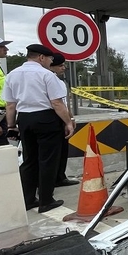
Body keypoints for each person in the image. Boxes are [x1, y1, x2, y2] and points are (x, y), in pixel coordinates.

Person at [3, 44, 74, 213]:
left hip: (25, 119)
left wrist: (11, 126)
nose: (51, 62)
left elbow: (10, 104)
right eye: (50, 59)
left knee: (29, 159)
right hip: (46, 119)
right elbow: (56, 103)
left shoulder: (12, 75)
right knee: (48, 160)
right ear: (41, 57)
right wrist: (68, 122)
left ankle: (28, 199)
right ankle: (46, 200)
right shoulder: (47, 75)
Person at [49, 53, 79, 187]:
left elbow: (65, 102)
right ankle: (49, 181)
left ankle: (60, 177)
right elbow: (56, 103)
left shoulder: (61, 82)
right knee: (52, 152)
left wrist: (70, 118)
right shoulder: (47, 79)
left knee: (62, 149)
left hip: (63, 117)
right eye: (60, 65)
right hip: (52, 117)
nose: (64, 68)